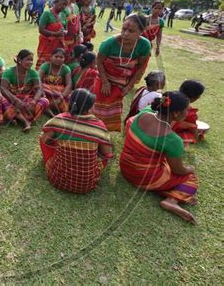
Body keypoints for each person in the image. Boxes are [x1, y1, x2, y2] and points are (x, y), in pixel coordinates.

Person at [120, 91, 198, 223]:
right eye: (187, 110)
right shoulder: (173, 140)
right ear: (176, 113)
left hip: (125, 167)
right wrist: (190, 169)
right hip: (143, 178)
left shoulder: (144, 113)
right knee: (190, 178)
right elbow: (178, 171)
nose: (188, 113)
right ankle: (171, 201)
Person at [40, 88, 113, 193]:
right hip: (87, 184)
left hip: (58, 180)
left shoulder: (59, 120)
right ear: (90, 107)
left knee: (45, 138)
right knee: (104, 152)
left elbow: (45, 141)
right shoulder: (99, 126)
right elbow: (107, 154)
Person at [93, 14, 151, 132]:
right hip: (105, 77)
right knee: (97, 103)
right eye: (124, 29)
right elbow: (99, 62)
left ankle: (105, 130)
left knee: (114, 106)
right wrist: (105, 82)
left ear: (141, 31)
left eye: (131, 31)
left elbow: (140, 67)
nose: (125, 33)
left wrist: (129, 85)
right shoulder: (109, 43)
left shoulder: (144, 45)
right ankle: (93, 128)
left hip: (123, 81)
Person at [0, 49, 49, 131]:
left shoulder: (33, 73)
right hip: (12, 99)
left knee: (45, 101)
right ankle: (25, 121)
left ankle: (15, 117)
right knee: (2, 102)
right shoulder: (8, 72)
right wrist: (16, 100)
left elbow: (39, 89)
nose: (30, 62)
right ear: (19, 60)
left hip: (27, 100)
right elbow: (3, 89)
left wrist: (33, 102)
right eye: (28, 59)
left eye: (31, 60)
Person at [36, 0, 69, 69]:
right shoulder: (47, 14)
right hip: (47, 44)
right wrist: (55, 34)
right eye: (62, 4)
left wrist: (64, 32)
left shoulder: (63, 14)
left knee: (56, 63)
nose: (63, 7)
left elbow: (65, 27)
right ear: (56, 2)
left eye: (65, 5)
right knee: (45, 64)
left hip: (59, 44)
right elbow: (41, 30)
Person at [38, 48, 72, 115]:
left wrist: (60, 98)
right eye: (56, 56)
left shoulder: (66, 69)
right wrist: (42, 93)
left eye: (61, 57)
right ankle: (48, 107)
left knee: (69, 98)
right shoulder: (45, 66)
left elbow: (69, 85)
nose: (58, 59)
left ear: (64, 59)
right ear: (51, 57)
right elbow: (38, 79)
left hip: (59, 94)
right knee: (37, 92)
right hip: (45, 92)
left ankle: (49, 108)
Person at [172, 80, 206, 146]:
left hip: (154, 129)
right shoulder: (190, 113)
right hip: (168, 134)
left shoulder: (169, 98)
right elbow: (194, 130)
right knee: (189, 135)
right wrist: (196, 138)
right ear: (196, 98)